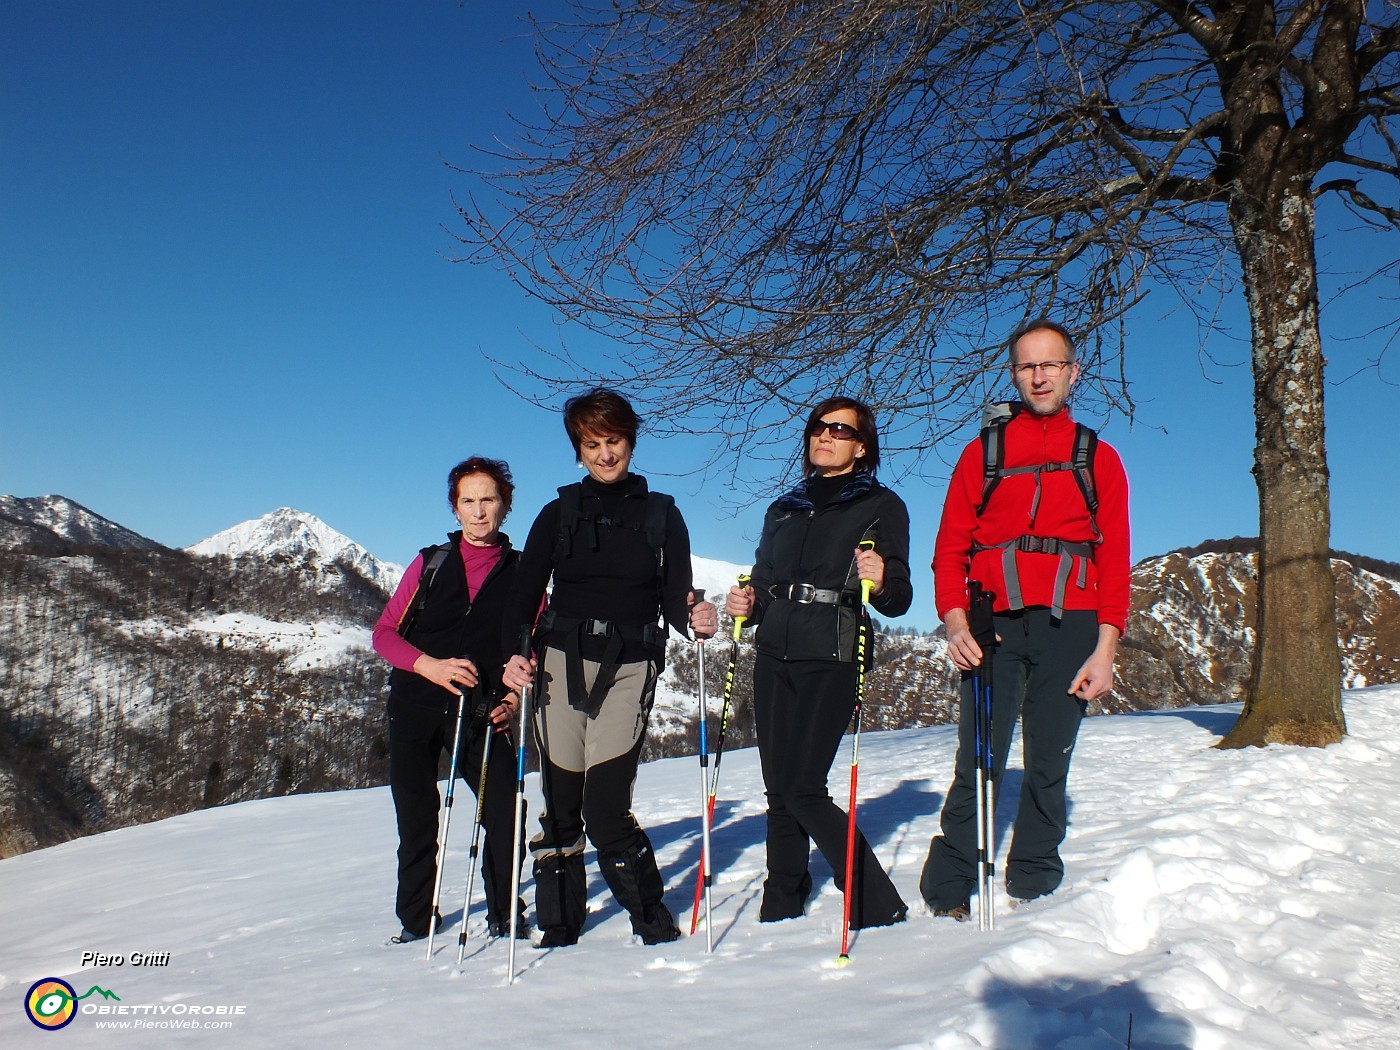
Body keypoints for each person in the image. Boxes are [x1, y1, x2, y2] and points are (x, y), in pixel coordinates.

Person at [919, 318, 1130, 918]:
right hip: (994, 624)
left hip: (1074, 625)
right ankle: (952, 880)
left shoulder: (1099, 458)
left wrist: (1107, 646)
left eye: (1050, 365)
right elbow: (950, 548)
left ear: (1072, 373)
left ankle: (1034, 875)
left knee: (1048, 758)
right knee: (979, 756)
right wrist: (955, 622)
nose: (1039, 376)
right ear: (1014, 374)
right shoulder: (982, 452)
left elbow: (1114, 555)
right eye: (1026, 366)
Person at [501, 388, 717, 948]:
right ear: (578, 449)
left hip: (630, 665)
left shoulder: (662, 515)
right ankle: (559, 924)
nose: (604, 453)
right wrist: (513, 653)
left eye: (613, 440)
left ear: (631, 441)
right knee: (562, 804)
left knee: (604, 808)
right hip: (557, 666)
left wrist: (695, 613)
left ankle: (651, 919)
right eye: (592, 443)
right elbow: (524, 596)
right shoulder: (557, 514)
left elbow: (675, 597)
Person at [725, 396, 911, 930]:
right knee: (779, 788)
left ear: (861, 446)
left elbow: (897, 597)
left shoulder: (880, 505)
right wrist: (750, 602)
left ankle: (877, 901)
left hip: (833, 650)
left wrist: (879, 576)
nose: (824, 436)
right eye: (818, 427)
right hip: (774, 650)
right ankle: (781, 901)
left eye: (839, 430)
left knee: (803, 786)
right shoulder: (784, 507)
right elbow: (763, 580)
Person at [372, 456, 526, 943]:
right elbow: (384, 635)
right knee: (417, 819)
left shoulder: (522, 572)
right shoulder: (431, 562)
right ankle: (416, 922)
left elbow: (530, 647)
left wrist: (513, 699)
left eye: (489, 499)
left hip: (481, 711)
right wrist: (429, 666)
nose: (479, 511)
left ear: (504, 506)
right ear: (455, 509)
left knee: (504, 811)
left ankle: (504, 913)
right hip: (416, 705)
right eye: (469, 501)